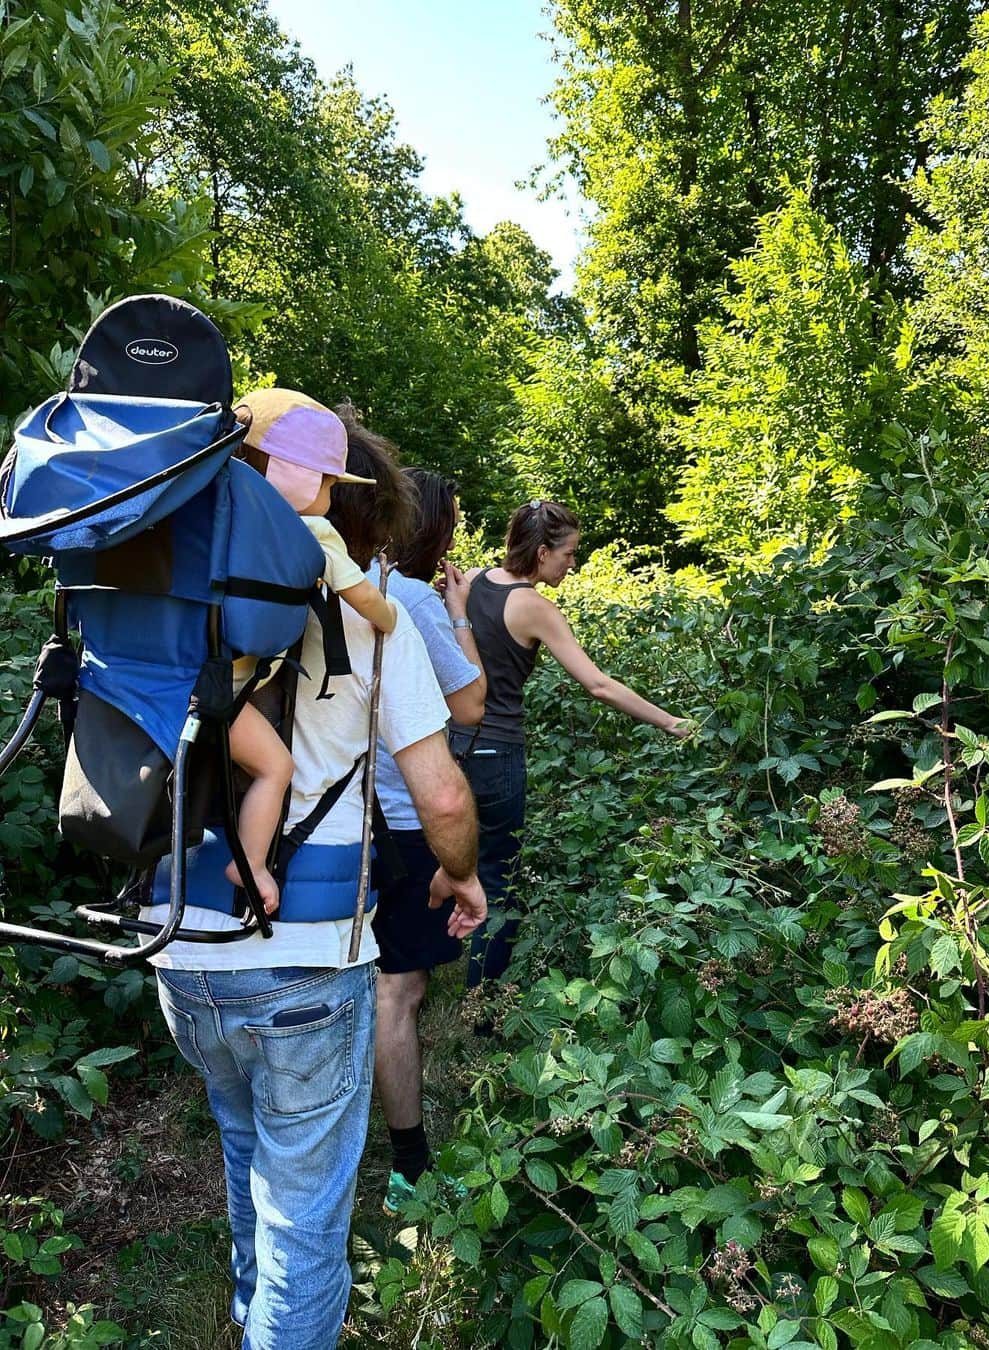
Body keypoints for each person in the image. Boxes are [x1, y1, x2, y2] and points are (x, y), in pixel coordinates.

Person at [142, 415, 486, 1350]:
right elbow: (443, 794)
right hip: (305, 957)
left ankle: (254, 1314)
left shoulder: (182, 596)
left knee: (246, 1143)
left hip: (180, 944)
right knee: (305, 1202)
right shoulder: (371, 616)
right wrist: (461, 876)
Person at [450, 498, 690, 988]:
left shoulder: (469, 581)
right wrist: (669, 722)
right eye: (568, 554)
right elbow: (598, 685)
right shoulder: (534, 606)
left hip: (450, 745)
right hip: (498, 754)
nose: (573, 564)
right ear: (541, 553)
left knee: (449, 861)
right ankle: (484, 1008)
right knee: (500, 881)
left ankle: (422, 971)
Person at [226, 388, 396, 915]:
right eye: (326, 480)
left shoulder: (217, 509)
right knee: (276, 767)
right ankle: (250, 866)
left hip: (156, 676)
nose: (329, 493)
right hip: (219, 691)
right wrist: (390, 616)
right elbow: (363, 597)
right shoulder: (311, 529)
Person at [367, 468, 487, 1213]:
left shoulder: (351, 580)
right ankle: (408, 1161)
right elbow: (471, 704)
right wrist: (462, 610)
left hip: (358, 810)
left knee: (380, 980)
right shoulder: (408, 598)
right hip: (410, 818)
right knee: (398, 991)